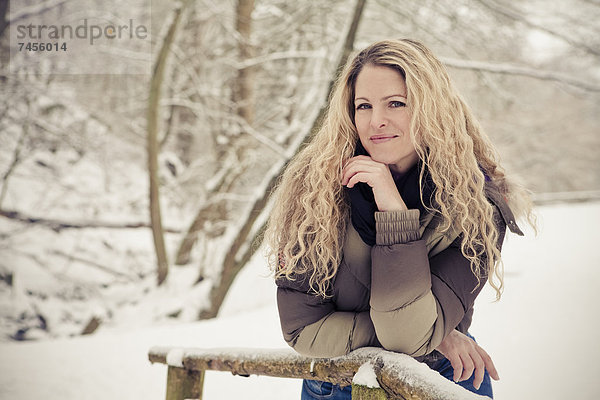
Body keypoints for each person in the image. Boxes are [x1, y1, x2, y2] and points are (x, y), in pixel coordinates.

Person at [264, 38, 534, 399]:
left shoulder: (479, 207)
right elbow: (303, 330)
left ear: (432, 108)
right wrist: (435, 336)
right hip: (338, 385)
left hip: (443, 378)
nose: (376, 121)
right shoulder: (315, 192)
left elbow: (404, 335)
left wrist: (393, 211)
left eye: (396, 103)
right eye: (364, 106)